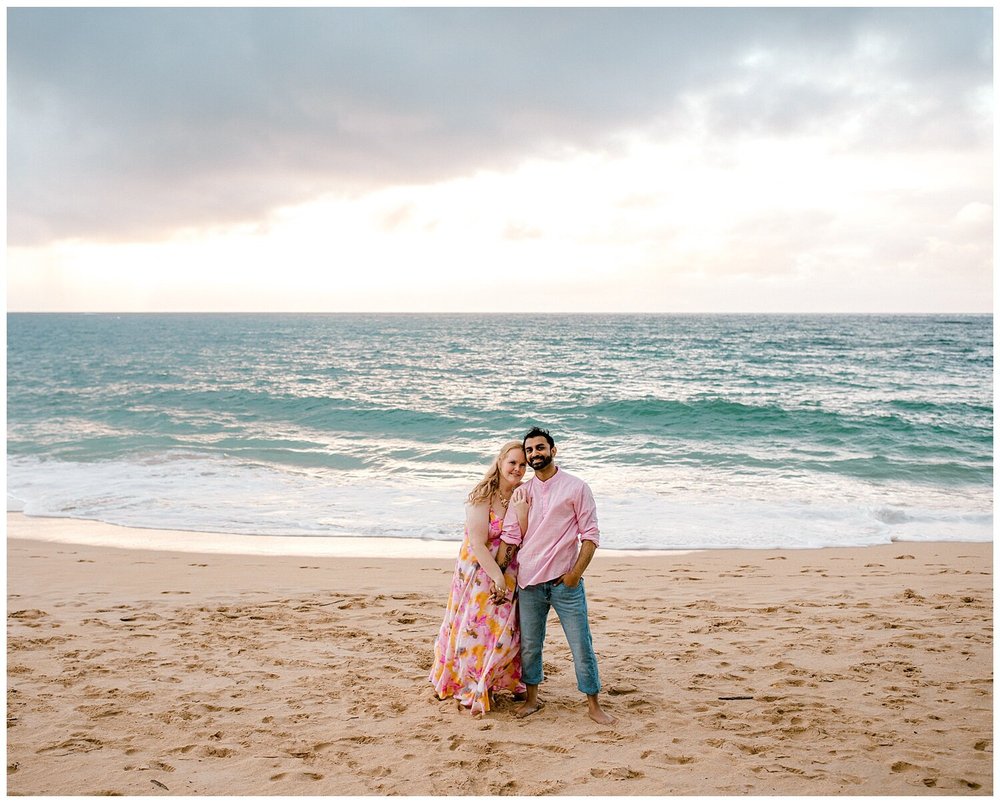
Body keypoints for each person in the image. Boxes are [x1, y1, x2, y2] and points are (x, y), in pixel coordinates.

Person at [500, 427, 616, 725]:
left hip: (565, 584)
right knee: (530, 646)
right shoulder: (522, 493)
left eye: (540, 447)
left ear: (553, 450)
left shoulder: (576, 487)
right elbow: (511, 538)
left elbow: (590, 536)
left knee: (581, 644)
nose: (535, 453)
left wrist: (574, 575)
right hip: (529, 584)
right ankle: (532, 700)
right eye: (530, 450)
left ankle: (593, 705)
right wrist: (494, 571)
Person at [429, 441, 529, 715]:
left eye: (523, 465)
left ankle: (496, 679)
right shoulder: (482, 494)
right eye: (513, 463)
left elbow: (525, 536)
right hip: (478, 570)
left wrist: (521, 514)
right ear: (500, 461)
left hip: (510, 569)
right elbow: (477, 543)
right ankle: (473, 683)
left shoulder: (524, 495)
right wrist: (495, 576)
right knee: (476, 626)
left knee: (504, 630)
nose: (518, 469)